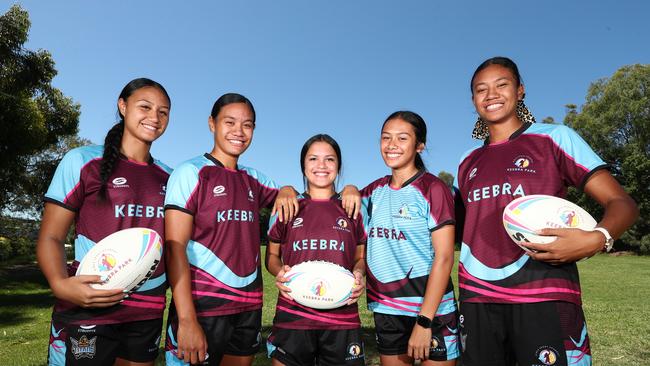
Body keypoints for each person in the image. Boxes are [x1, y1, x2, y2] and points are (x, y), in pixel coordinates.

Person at [456, 56, 639, 366]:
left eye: (502, 85)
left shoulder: (554, 138)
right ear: (473, 99)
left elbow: (622, 203)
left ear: (520, 91)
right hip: (477, 299)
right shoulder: (467, 160)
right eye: (480, 89)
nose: (491, 95)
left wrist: (598, 237)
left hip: (544, 293)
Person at [37, 78, 173, 366]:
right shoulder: (82, 161)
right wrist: (61, 284)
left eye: (163, 112)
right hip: (90, 303)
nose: (155, 117)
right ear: (123, 106)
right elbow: (51, 236)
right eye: (145, 107)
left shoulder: (170, 177)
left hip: (147, 309)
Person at [361, 111, 459, 366]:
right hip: (387, 310)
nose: (391, 145)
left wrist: (424, 321)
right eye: (386, 138)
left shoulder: (434, 189)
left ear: (419, 145)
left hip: (433, 312)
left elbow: (445, 257)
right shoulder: (371, 192)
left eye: (402, 138)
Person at [265, 134, 367, 366]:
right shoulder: (286, 206)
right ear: (303, 165)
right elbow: (271, 256)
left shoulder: (354, 208)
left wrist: (359, 273)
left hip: (342, 318)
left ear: (338, 166)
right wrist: (279, 271)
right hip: (293, 316)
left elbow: (360, 257)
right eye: (313, 159)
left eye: (329, 159)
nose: (321, 166)